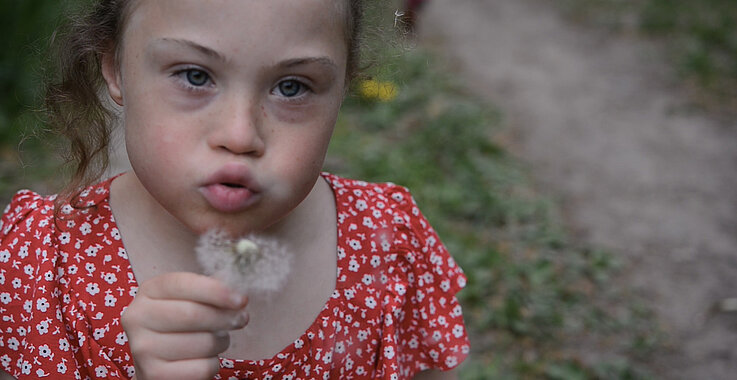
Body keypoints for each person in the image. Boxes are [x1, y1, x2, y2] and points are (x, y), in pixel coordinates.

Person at [0, 0, 469, 379]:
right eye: (195, 75)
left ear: (344, 84)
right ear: (115, 67)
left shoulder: (389, 244)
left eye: (291, 86)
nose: (241, 135)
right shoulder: (43, 265)